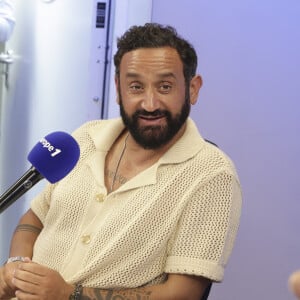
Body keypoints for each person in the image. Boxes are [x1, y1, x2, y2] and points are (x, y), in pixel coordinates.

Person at [0, 23, 242, 300]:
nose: (150, 103)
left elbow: (182, 294)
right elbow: (34, 219)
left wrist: (70, 295)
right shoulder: (85, 138)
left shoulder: (212, 174)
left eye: (165, 86)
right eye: (136, 86)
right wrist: (16, 266)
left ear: (193, 89)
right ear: (118, 89)